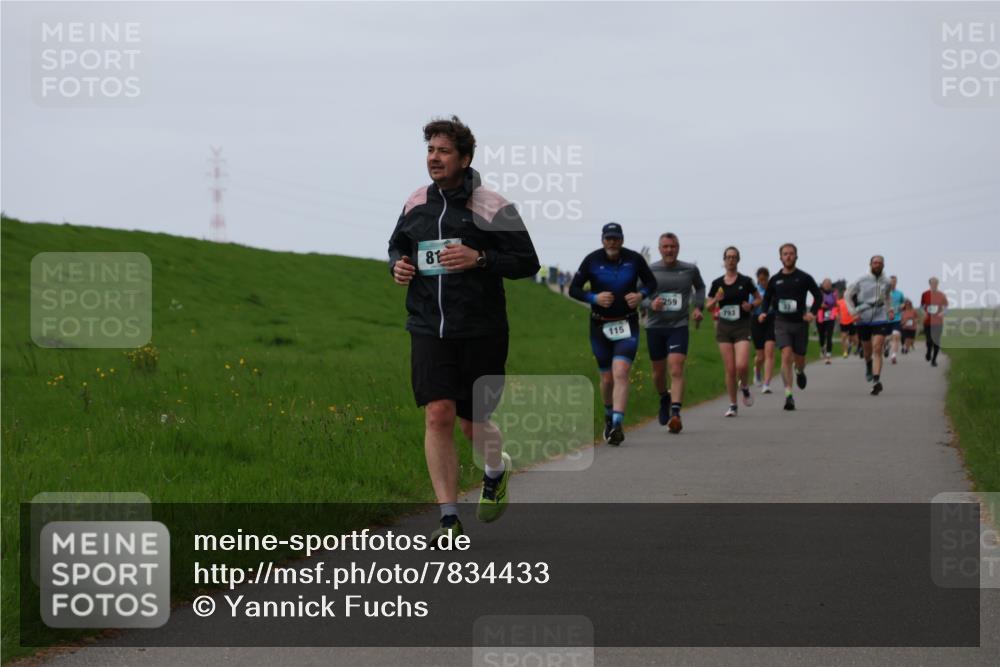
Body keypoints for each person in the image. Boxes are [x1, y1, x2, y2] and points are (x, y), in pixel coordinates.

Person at [388, 116, 540, 547]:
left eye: (443, 151)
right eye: (430, 150)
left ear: (465, 158)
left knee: (474, 423)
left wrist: (481, 259)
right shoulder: (416, 201)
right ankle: (449, 519)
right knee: (438, 413)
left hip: (480, 329)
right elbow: (397, 245)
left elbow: (528, 263)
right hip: (426, 326)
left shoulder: (493, 205)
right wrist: (397, 265)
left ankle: (495, 469)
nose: (434, 158)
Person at [569, 222, 656, 446]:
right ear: (602, 240)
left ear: (622, 239)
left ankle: (618, 423)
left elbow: (651, 283)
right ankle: (609, 416)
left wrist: (640, 295)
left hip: (627, 325)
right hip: (600, 327)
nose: (612, 242)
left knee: (621, 372)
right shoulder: (592, 260)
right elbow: (574, 289)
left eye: (616, 238)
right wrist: (593, 298)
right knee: (607, 378)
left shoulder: (635, 259)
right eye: (608, 238)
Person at [642, 232, 705, 433]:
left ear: (678, 248)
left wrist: (698, 307)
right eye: (666, 246)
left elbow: (701, 287)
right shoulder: (650, 270)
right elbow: (636, 295)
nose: (669, 250)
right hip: (654, 327)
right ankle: (664, 398)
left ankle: (676, 413)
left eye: (673, 246)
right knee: (658, 373)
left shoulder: (689, 269)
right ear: (659, 249)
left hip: (678, 326)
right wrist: (650, 303)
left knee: (676, 368)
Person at [759, 243, 822, 411]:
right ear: (780, 257)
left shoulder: (804, 277)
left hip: (800, 323)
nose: (788, 256)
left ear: (796, 256)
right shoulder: (775, 279)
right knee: (786, 355)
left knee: (799, 360)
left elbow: (818, 296)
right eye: (785, 254)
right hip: (781, 322)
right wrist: (763, 312)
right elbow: (766, 299)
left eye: (791, 253)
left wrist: (812, 313)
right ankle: (788, 395)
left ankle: (800, 371)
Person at [705, 247, 759, 417]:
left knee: (741, 365)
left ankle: (744, 386)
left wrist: (751, 306)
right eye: (728, 257)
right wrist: (716, 300)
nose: (731, 260)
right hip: (724, 327)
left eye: (734, 257)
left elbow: (759, 298)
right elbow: (708, 307)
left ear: (738, 260)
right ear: (724, 260)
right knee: (730, 369)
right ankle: (733, 404)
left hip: (742, 325)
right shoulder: (717, 284)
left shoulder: (746, 281)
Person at [844, 255, 894, 396]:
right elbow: (847, 295)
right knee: (867, 351)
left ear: (883, 265)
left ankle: (876, 381)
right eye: (874, 262)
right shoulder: (861, 279)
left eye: (879, 263)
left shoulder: (887, 281)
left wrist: (890, 310)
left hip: (880, 315)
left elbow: (887, 297)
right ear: (870, 264)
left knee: (877, 347)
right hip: (863, 316)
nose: (877, 265)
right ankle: (868, 365)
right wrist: (853, 312)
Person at [751, 266, 777, 393]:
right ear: (758, 280)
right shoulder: (754, 291)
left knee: (770, 352)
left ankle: (767, 383)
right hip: (756, 321)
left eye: (765, 279)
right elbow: (750, 307)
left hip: (771, 320)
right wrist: (754, 304)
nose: (763, 282)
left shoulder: (773, 290)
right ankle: (756, 371)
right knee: (760, 356)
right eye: (761, 280)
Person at [921, 276, 949, 367]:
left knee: (936, 341)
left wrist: (943, 313)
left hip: (938, 322)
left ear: (937, 284)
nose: (934, 285)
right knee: (929, 341)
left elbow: (946, 307)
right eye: (932, 283)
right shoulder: (925, 294)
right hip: (928, 321)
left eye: (936, 283)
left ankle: (934, 360)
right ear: (930, 284)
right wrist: (924, 312)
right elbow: (922, 306)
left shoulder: (941, 295)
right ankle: (929, 352)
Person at [816, 278, 838, 365]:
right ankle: (822, 347)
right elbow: (815, 303)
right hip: (820, 315)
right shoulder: (818, 292)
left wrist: (835, 310)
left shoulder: (834, 293)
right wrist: (820, 305)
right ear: (822, 284)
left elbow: (836, 304)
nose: (827, 285)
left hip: (830, 316)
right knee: (821, 335)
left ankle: (828, 356)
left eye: (829, 284)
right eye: (826, 284)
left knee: (829, 336)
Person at [886, 275, 906, 365]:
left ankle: (893, 355)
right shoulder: (884, 293)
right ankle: (886, 346)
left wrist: (901, 306)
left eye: (894, 281)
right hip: (885, 319)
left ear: (896, 282)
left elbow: (903, 303)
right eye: (891, 281)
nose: (892, 283)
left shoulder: (900, 293)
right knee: (885, 338)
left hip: (897, 318)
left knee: (896, 336)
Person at [837, 290, 858, 358]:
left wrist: (856, 316)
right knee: (843, 337)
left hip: (852, 321)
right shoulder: (839, 302)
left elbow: (857, 309)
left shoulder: (852, 302)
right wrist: (837, 316)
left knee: (854, 339)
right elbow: (836, 310)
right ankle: (845, 352)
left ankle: (853, 346)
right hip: (843, 322)